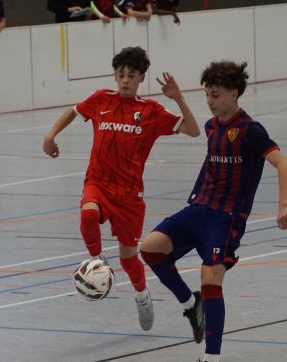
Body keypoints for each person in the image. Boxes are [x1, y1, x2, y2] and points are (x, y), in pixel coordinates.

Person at [140, 60, 287, 362]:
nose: (210, 101)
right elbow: (197, 134)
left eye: (216, 94)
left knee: (211, 277)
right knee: (150, 248)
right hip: (198, 210)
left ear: (234, 93)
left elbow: (283, 165)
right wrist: (179, 99)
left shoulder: (251, 130)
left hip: (225, 220)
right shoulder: (212, 127)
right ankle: (190, 303)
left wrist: (283, 207)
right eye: (207, 94)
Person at [43, 46, 200, 331]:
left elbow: (193, 130)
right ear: (115, 76)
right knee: (88, 214)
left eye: (131, 75)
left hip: (129, 196)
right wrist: (50, 136)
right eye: (120, 75)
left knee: (128, 258)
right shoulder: (101, 99)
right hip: (98, 183)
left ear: (141, 78)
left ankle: (141, 294)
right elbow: (73, 111)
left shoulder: (151, 111)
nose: (125, 80)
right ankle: (97, 261)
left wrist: (178, 98)